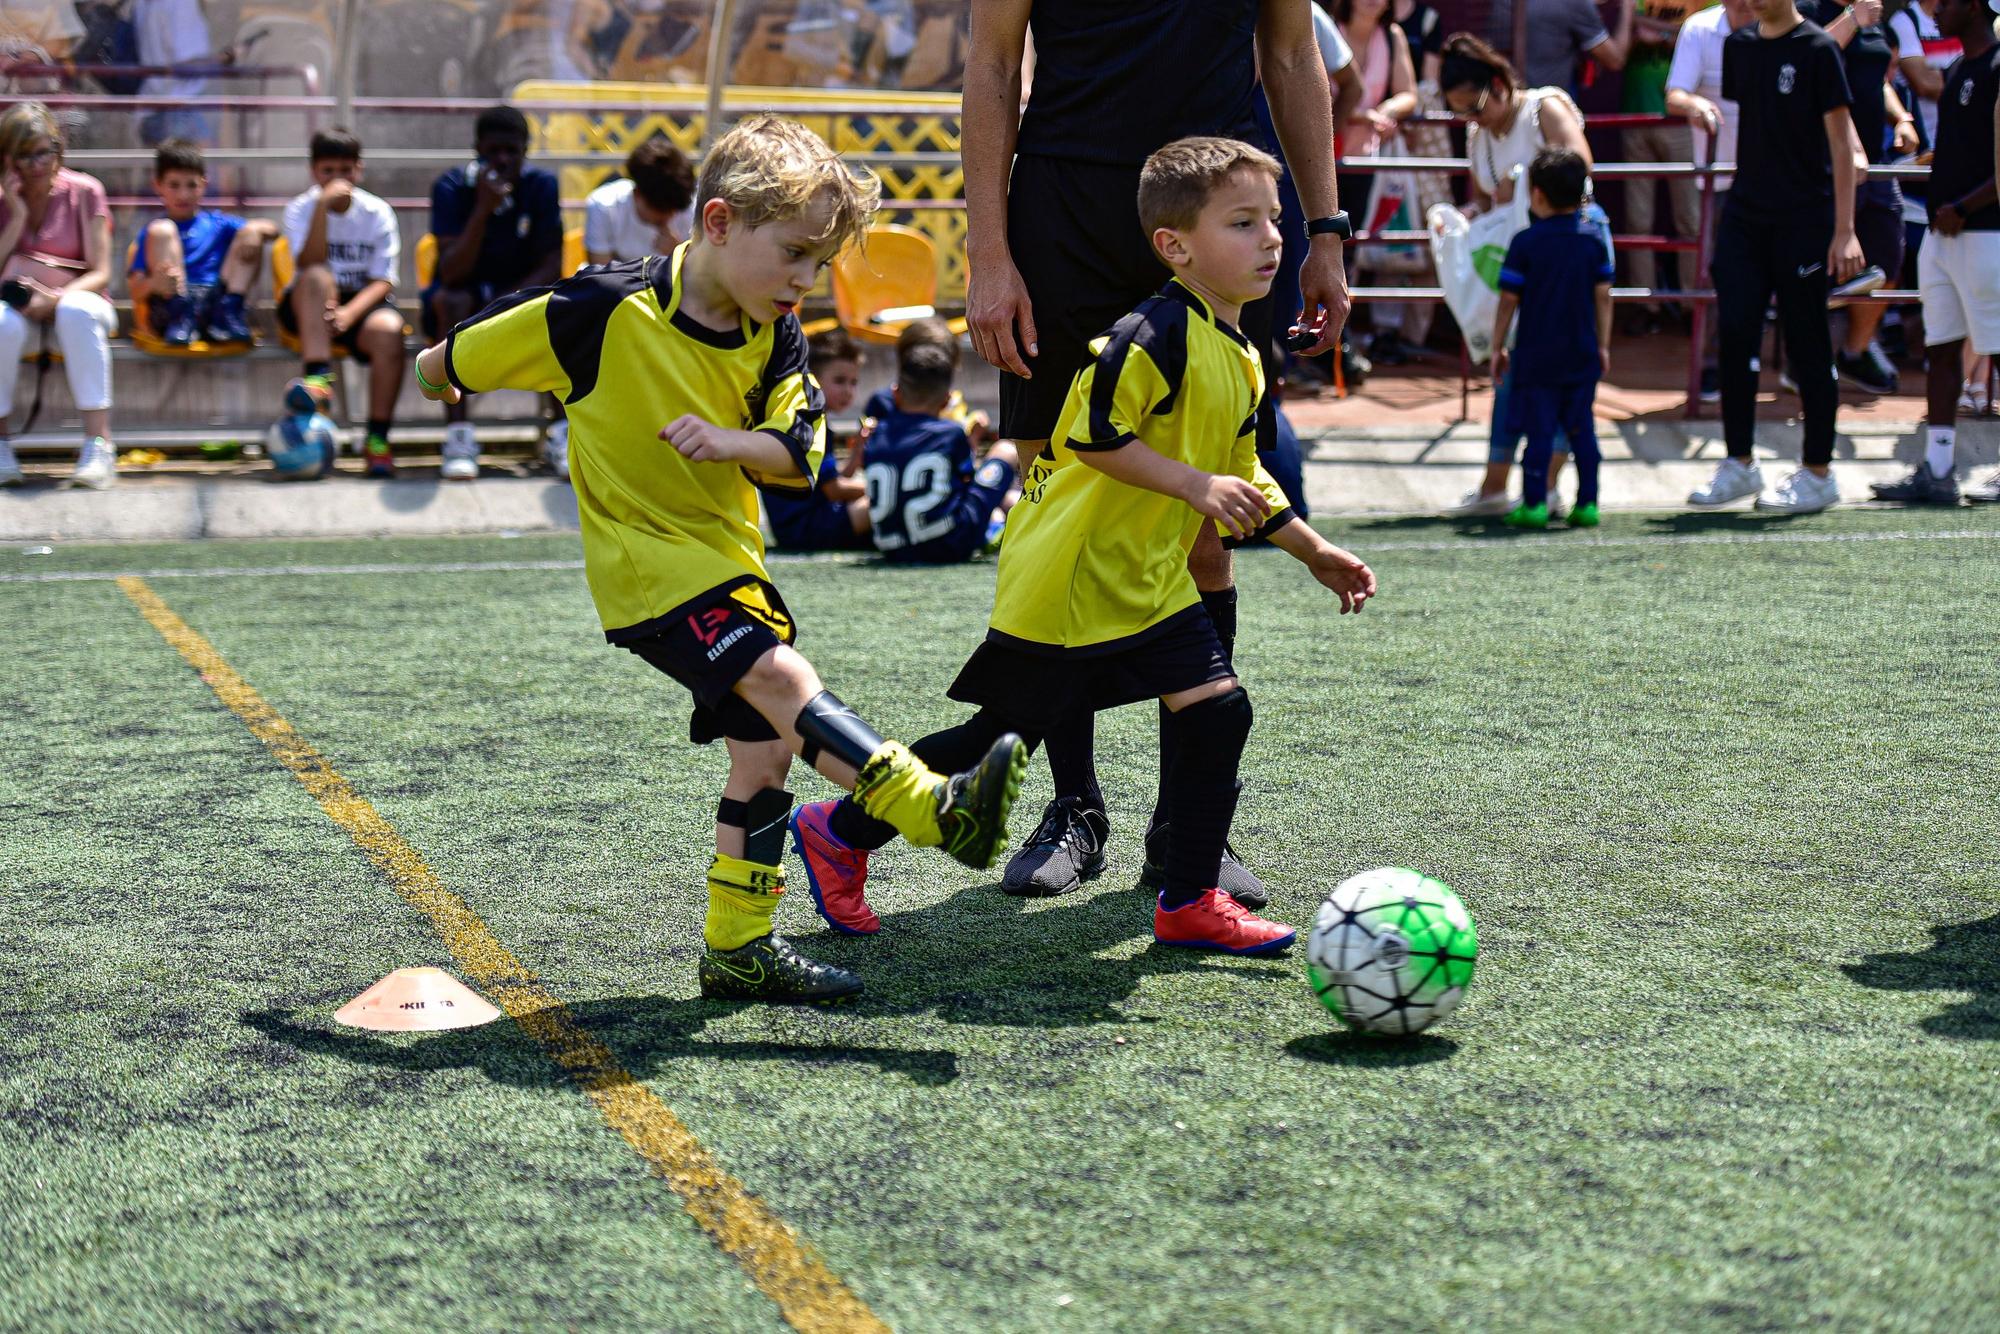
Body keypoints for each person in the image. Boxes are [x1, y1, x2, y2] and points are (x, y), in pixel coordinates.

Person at [412, 115, 1025, 1004]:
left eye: (821, 264)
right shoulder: (595, 311)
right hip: (648, 573)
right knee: (784, 678)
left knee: (765, 754)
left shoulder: (778, 334)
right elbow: (454, 360)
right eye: (794, 254)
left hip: (733, 563)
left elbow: (803, 457)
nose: (806, 280)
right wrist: (434, 369)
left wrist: (730, 440)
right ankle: (934, 809)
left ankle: (737, 951)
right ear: (720, 221)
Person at [788, 137, 1376, 951]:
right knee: (993, 743)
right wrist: (1193, 486)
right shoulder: (1148, 333)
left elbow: (1242, 472)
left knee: (1219, 711)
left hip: (1142, 576)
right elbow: (1098, 438)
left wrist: (1313, 550)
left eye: (1274, 220)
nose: (1274, 238)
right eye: (1243, 223)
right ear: (1174, 246)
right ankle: (840, 831)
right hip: (1068, 574)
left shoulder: (1240, 353)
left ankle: (1188, 898)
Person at [961, 0, 1351, 900]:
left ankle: (1193, 827)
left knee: (1207, 534)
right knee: (1062, 528)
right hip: (1064, 214)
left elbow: (1292, 55)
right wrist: (988, 251)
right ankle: (1074, 806)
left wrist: (1324, 232)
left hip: (1219, 209)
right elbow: (990, 66)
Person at [1687, 0, 1864, 514]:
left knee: (1807, 344)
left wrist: (1844, 229)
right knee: (1736, 334)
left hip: (1804, 219)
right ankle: (1740, 462)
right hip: (1745, 216)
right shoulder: (1738, 47)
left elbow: (1839, 144)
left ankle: (1818, 472)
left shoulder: (1819, 48)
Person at [1438, 35, 1605, 517]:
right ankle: (1502, 485)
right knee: (1508, 371)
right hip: (1521, 263)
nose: (1473, 119)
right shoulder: (1478, 136)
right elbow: (1491, 206)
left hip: (1567, 260)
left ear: (1498, 83)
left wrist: (1524, 178)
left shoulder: (1545, 107)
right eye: (1461, 113)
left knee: (1554, 378)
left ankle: (1544, 487)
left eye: (1475, 106)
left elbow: (1581, 171)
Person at [1873, 0, 2000, 503]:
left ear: (1973, 7)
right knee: (1942, 347)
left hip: (1986, 233)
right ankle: (1939, 468)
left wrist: (1965, 207)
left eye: (1946, 2)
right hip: (1944, 233)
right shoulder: (1959, 69)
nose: (1935, 12)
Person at [425, 104, 563, 480]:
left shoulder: (541, 186)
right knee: (450, 302)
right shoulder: (452, 187)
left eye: (511, 151)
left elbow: (553, 264)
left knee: (559, 308)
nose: (502, 160)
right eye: (493, 150)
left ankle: (562, 433)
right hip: (464, 298)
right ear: (477, 149)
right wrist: (482, 210)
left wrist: (504, 304)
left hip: (517, 296)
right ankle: (458, 436)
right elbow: (451, 272)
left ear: (525, 151)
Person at [1494, 148, 1615, 529]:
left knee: (1540, 431)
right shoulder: (1593, 240)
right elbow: (1604, 297)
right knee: (1582, 430)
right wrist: (1603, 345)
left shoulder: (1525, 242)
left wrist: (1498, 345)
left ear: (1537, 195)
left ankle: (1534, 506)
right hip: (1581, 352)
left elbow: (1508, 300)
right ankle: (1589, 503)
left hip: (1536, 354)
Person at [1803, 0, 1919, 396]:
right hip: (1823, 163)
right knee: (1818, 265)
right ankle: (1804, 361)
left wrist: (1901, 118)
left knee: (1886, 259)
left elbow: (1877, 77)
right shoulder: (1810, 10)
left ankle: (1852, 352)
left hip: (1876, 163)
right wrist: (1852, 19)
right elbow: (1809, 57)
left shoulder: (1871, 16)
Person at [0, 101, 117, 489]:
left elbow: (101, 272)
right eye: (26, 156)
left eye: (45, 151)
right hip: (18, 308)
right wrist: (15, 215)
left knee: (76, 312)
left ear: (58, 148)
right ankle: (1, 444)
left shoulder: (86, 191)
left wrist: (57, 296)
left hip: (81, 299)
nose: (38, 164)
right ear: (9, 160)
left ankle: (98, 444)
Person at [279, 126, 404, 478]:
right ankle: (318, 382)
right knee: (318, 276)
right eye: (328, 171)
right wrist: (322, 207)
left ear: (359, 170)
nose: (338, 179)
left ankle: (377, 440)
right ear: (313, 172)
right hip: (308, 304)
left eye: (345, 171)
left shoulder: (378, 212)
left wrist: (350, 312)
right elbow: (307, 263)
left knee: (390, 331)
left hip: (359, 306)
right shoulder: (301, 209)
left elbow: (383, 280)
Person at [1666, 0, 1759, 401]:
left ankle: (1765, 364)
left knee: (1770, 277)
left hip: (1775, 180)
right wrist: (1696, 104)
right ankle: (1712, 367)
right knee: (1719, 276)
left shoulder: (1787, 27)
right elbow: (1675, 94)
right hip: (1719, 181)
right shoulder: (1699, 29)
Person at [857, 337, 1020, 563]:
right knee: (1005, 450)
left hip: (891, 546)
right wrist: (972, 438)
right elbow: (966, 483)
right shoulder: (951, 432)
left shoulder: (876, 435)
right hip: (952, 544)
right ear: (946, 401)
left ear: (896, 393)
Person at [128, 138, 277, 349]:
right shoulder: (153, 232)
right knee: (163, 230)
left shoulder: (218, 223)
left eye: (191, 185)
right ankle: (180, 316)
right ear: (158, 185)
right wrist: (154, 284)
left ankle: (230, 313)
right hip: (172, 312)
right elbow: (136, 290)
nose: (184, 194)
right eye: (174, 185)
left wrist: (255, 230)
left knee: (250, 232)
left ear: (204, 184)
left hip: (214, 304)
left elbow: (273, 229)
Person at [1620, 0, 1703, 335]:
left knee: (1691, 218)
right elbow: (1619, 45)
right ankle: (1645, 304)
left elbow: (1706, 37)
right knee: (1637, 220)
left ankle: (1690, 304)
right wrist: (1640, 28)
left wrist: (1660, 31)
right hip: (1635, 115)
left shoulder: (1703, 4)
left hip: (1680, 122)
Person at [763, 326, 874, 551]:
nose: (848, 390)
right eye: (839, 380)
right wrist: (878, 487)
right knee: (885, 501)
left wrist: (855, 458)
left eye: (853, 382)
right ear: (812, 379)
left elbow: (828, 479)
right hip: (806, 527)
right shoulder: (809, 424)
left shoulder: (810, 418)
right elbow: (834, 490)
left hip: (795, 526)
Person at [584, 134, 697, 264]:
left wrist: (679, 256)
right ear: (637, 194)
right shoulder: (603, 207)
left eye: (674, 209)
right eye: (660, 209)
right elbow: (600, 276)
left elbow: (700, 275)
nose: (669, 216)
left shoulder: (691, 210)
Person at [1486, 0, 1632, 91]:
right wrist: (1628, 10)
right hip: (1547, 115)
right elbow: (1615, 60)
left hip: (1505, 106)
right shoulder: (1574, 3)